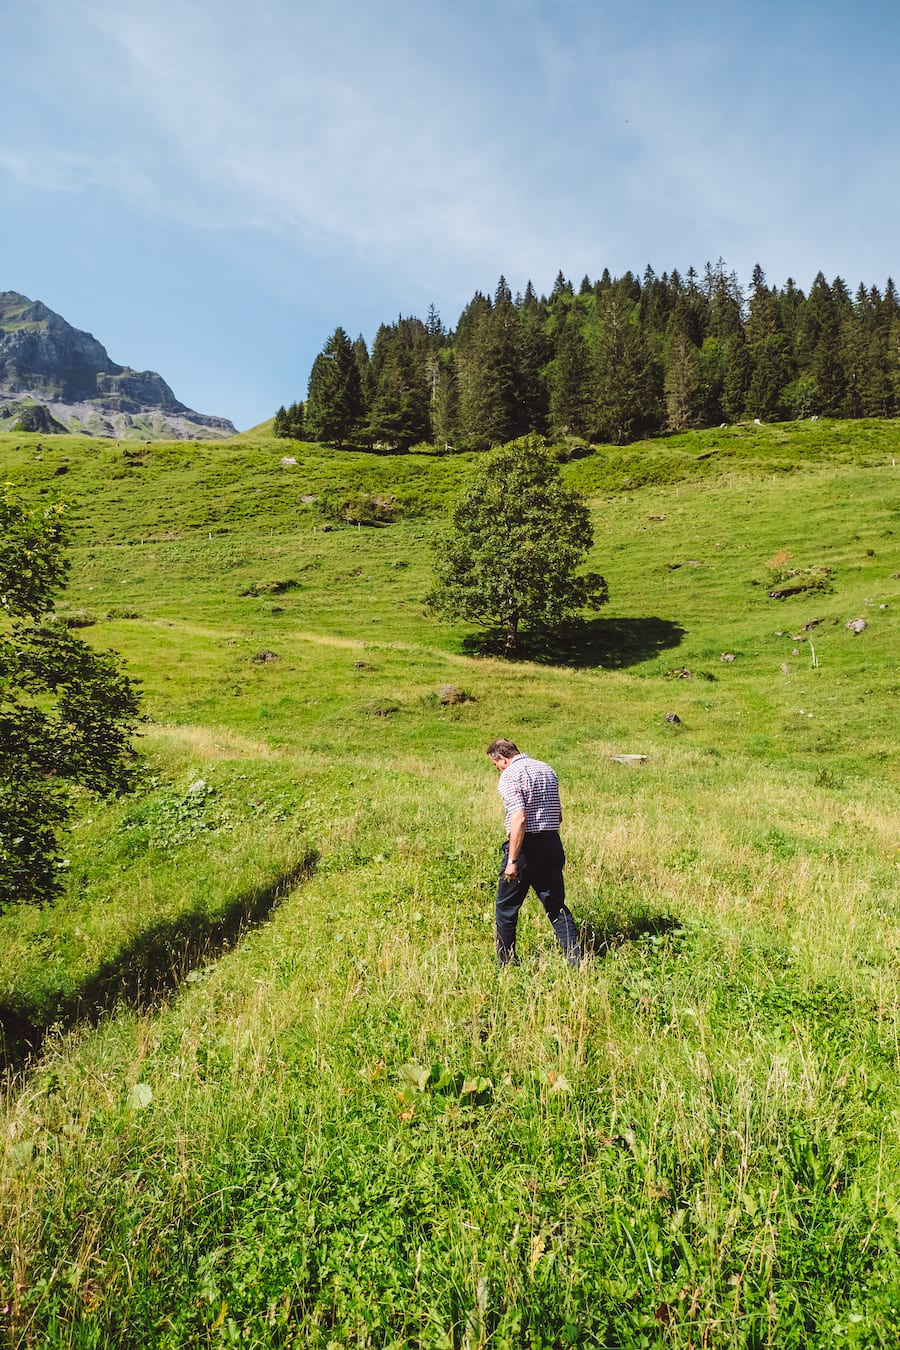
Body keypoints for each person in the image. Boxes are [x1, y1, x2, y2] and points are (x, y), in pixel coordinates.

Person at [486, 738, 582, 967]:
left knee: (506, 907)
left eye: (495, 764)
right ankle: (576, 961)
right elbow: (558, 814)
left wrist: (512, 860)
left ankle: (506, 963)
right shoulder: (546, 769)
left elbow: (519, 818)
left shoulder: (510, 775)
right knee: (556, 905)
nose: (497, 768)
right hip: (551, 843)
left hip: (524, 847)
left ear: (501, 758)